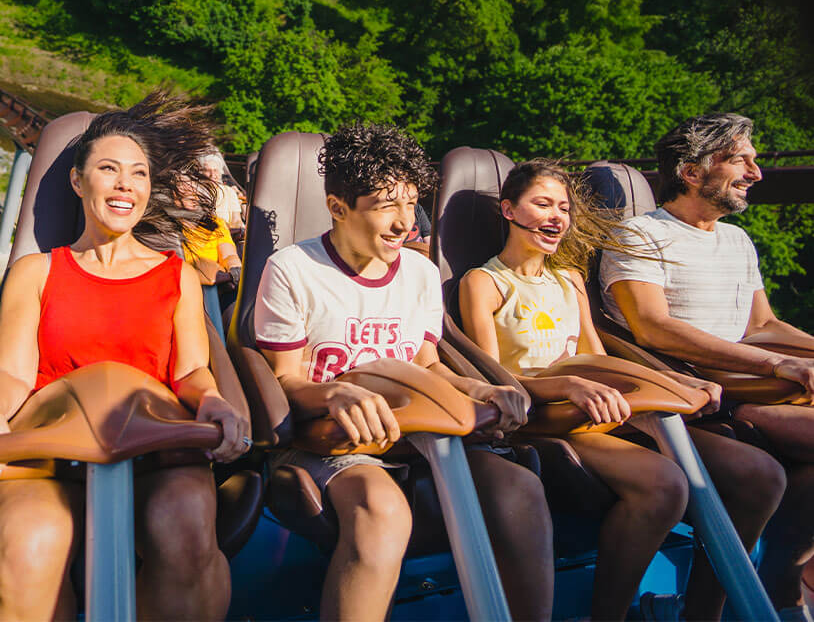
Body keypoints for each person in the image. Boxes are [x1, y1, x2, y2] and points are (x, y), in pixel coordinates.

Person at [0, 93, 250, 622]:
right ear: (78, 181)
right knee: (30, 545)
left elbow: (191, 372)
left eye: (138, 174)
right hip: (47, 452)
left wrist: (216, 405)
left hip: (154, 450)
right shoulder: (36, 272)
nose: (125, 184)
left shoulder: (174, 275)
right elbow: (13, 373)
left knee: (185, 529)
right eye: (108, 169)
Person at [459, 159, 785, 621]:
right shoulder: (485, 282)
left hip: (603, 406)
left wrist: (670, 381)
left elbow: (597, 358)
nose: (556, 216)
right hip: (548, 415)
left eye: (564, 208)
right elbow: (494, 375)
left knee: (759, 474)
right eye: (542, 205)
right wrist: (568, 384)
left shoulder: (569, 280)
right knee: (667, 484)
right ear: (510, 211)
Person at [254, 123, 554, 622]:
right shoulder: (292, 269)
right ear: (338, 208)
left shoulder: (418, 273)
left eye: (410, 203)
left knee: (520, 491)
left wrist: (484, 388)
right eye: (384, 205)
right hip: (332, 440)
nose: (403, 223)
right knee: (383, 512)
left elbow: (427, 364)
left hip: (420, 433)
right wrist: (335, 395)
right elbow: (285, 379)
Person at [600, 112, 814, 620]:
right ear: (691, 172)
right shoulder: (640, 235)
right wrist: (780, 364)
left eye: (754, 160)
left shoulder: (736, 241)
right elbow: (653, 327)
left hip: (751, 384)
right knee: (769, 472)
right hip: (694, 392)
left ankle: (785, 575)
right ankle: (716, 608)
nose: (755, 172)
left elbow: (762, 323)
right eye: (740, 159)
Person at [200, 152, 245, 237]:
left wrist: (235, 230)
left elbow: (236, 219)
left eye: (215, 170)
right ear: (201, 172)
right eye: (207, 170)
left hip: (226, 235)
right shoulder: (196, 191)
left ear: (220, 172)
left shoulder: (229, 192)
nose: (212, 175)